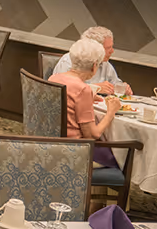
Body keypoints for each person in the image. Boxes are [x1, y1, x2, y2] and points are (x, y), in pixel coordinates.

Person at [49, 38, 121, 167]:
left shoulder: (54, 78)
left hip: (50, 144)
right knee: (121, 158)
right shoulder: (83, 89)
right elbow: (92, 135)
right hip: (75, 152)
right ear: (94, 66)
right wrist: (111, 112)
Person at [53, 26, 131, 96]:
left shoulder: (105, 65)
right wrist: (95, 88)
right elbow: (62, 91)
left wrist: (123, 88)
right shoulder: (70, 61)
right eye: (108, 48)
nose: (112, 51)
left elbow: (115, 84)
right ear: (95, 48)